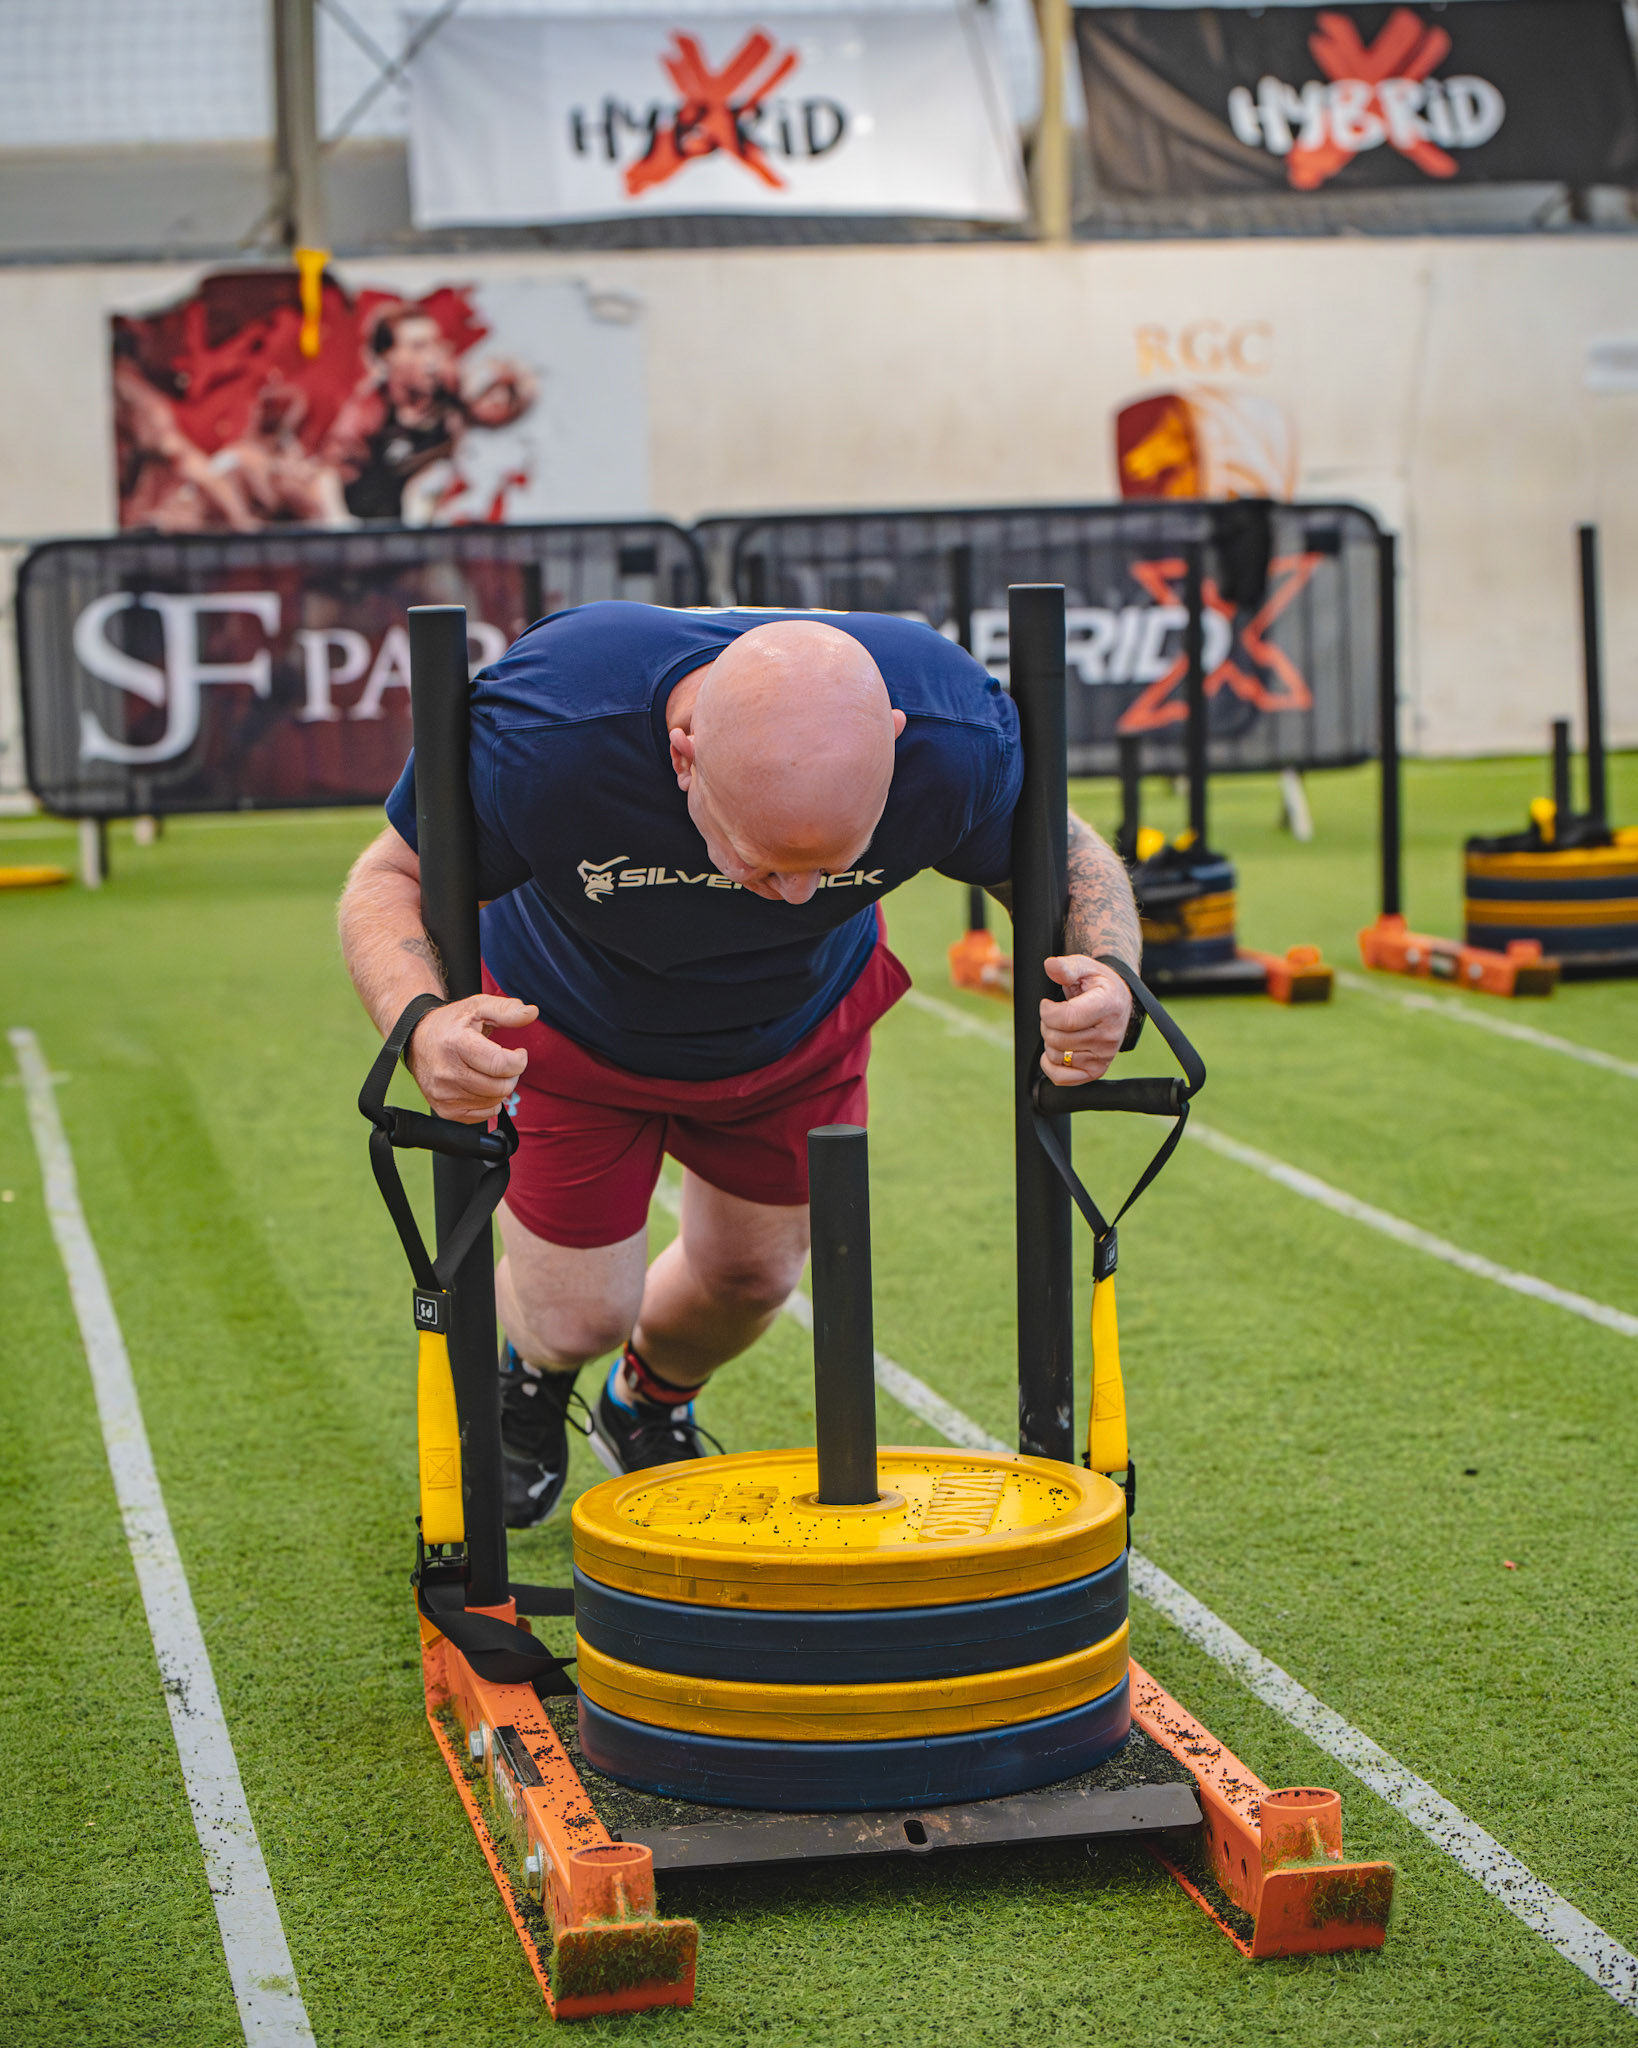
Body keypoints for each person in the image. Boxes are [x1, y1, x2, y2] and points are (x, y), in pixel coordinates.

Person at [338, 603, 1141, 1527]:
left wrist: (1111, 971)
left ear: (894, 744)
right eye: (763, 865)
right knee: (577, 1316)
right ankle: (532, 1372)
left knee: (752, 1279)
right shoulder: (549, 731)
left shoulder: (952, 735)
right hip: (567, 1024)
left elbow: (1065, 852)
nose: (797, 896)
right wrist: (421, 1023)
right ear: (683, 757)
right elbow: (389, 876)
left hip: (795, 1030)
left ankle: (648, 1401)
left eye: (831, 864)